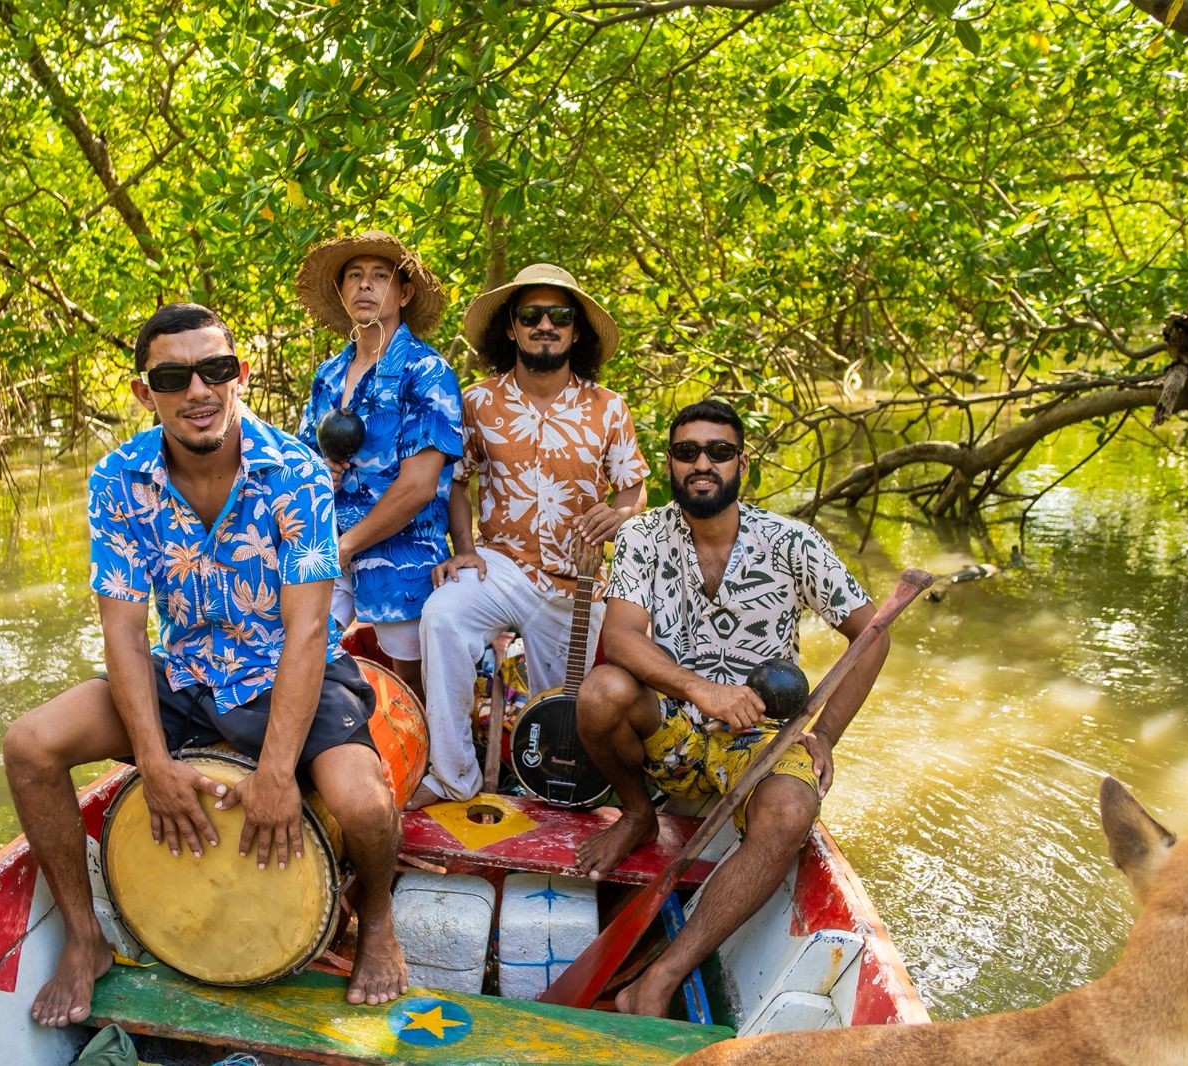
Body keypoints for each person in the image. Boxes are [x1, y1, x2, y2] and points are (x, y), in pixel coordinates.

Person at [1, 303, 406, 1028]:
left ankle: (375, 919)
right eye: (174, 376)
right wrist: (151, 764)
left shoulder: (297, 472)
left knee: (364, 805)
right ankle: (85, 939)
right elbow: (123, 631)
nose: (198, 390)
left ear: (239, 375)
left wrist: (279, 771)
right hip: (185, 672)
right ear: (144, 392)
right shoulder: (116, 480)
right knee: (29, 747)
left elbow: (309, 627)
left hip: (286, 671)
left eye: (216, 370)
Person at [572, 397, 888, 1017]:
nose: (702, 464)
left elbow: (871, 634)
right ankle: (637, 814)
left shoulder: (792, 542)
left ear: (742, 463)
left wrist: (825, 735)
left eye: (718, 452)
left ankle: (660, 976)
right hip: (674, 726)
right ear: (669, 465)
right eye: (687, 452)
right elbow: (623, 636)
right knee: (600, 690)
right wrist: (699, 688)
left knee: (791, 811)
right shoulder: (641, 535)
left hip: (761, 739)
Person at [414, 263, 650, 808]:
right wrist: (464, 550)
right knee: (442, 616)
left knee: (566, 707)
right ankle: (453, 779)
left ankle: (558, 796)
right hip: (502, 564)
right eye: (531, 315)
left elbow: (633, 490)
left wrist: (620, 516)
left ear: (575, 332)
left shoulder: (608, 407)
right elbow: (458, 482)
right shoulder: (476, 402)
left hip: (579, 581)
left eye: (559, 316)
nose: (545, 325)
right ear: (513, 329)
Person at [294, 232, 463, 703]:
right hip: (330, 544)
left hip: (403, 551)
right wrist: (319, 471)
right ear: (343, 292)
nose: (365, 286)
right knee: (295, 653)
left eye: (380, 277)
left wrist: (345, 545)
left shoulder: (425, 371)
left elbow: (419, 487)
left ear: (403, 294)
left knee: (416, 685)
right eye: (355, 276)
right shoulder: (328, 375)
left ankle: (432, 768)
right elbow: (306, 465)